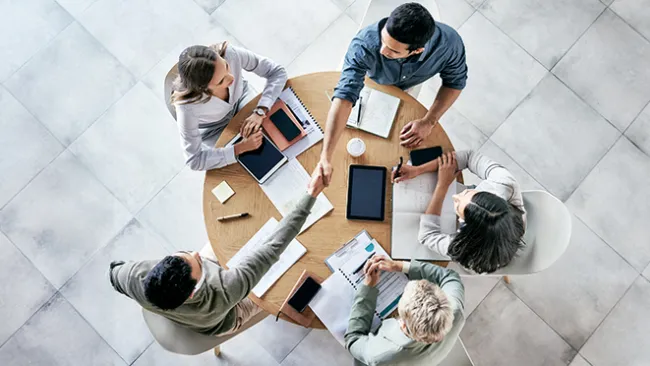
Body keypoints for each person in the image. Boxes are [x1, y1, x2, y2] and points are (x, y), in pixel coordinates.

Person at [108, 177, 324, 337]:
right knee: (276, 288)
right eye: (198, 261)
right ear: (193, 292)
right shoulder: (225, 290)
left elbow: (114, 273)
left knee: (234, 235)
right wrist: (311, 195)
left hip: (186, 307)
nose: (195, 254)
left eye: (186, 255)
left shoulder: (132, 277)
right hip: (227, 318)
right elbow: (272, 248)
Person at [313, 3, 468, 186]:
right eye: (383, 41)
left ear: (418, 50)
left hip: (407, 87)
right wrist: (325, 157)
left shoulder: (449, 45)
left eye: (393, 50)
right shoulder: (364, 44)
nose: (382, 51)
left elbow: (455, 83)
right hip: (368, 79)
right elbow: (345, 97)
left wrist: (429, 121)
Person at [394, 150, 526, 274]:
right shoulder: (503, 182)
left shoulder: (468, 250)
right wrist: (418, 170)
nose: (455, 197)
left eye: (457, 208)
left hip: (487, 254)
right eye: (468, 193)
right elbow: (469, 156)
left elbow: (426, 236)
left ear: (466, 229)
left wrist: (442, 186)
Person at [172, 42, 288, 171]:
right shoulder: (187, 108)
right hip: (215, 130)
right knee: (255, 165)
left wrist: (261, 110)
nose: (231, 77)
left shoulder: (230, 54)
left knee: (280, 133)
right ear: (202, 89)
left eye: (226, 66)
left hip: (242, 99)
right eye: (221, 81)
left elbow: (277, 72)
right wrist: (239, 148)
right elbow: (194, 160)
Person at [345, 255, 465, 365]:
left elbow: (353, 339)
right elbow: (450, 277)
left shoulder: (382, 355)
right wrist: (400, 266)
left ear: (402, 324)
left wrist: (367, 289)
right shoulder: (456, 311)